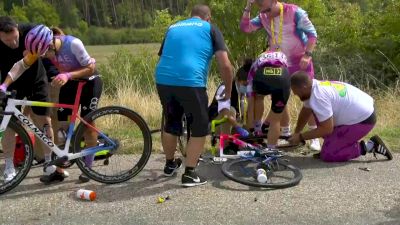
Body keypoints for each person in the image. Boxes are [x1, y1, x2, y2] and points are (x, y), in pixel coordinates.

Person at [155, 4, 233, 187]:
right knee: (199, 127)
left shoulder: (173, 27)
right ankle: (190, 173)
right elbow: (225, 65)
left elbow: (162, 56)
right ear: (208, 17)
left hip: (163, 78)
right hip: (191, 80)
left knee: (171, 122)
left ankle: (169, 164)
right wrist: (228, 91)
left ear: (191, 16)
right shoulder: (210, 28)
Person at [240, 0, 321, 151]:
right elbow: (246, 28)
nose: (261, 9)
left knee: (309, 98)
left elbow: (312, 34)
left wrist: (307, 55)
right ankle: (286, 132)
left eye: (261, 4)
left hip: (300, 61)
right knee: (279, 98)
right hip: (279, 63)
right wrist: (248, 6)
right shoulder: (263, 15)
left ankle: (314, 136)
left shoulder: (295, 12)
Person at [0, 16, 68, 183]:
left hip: (36, 80)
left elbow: (47, 34)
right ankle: (9, 166)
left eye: (15, 37)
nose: (13, 43)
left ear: (18, 28)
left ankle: (48, 161)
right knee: (9, 125)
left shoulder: (31, 31)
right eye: (7, 40)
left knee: (44, 120)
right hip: (11, 83)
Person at [288, 71, 393, 162]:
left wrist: (301, 137)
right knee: (318, 115)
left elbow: (326, 129)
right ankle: (334, 143)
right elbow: (306, 111)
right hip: (363, 110)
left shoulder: (318, 96)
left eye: (295, 90)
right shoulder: (314, 87)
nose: (294, 93)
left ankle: (370, 146)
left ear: (304, 87)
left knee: (329, 155)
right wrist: (297, 132)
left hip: (363, 120)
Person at [42, 27, 102, 183]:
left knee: (88, 123)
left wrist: (67, 74)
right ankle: (60, 170)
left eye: (45, 53)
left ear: (51, 45)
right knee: (62, 126)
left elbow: (91, 68)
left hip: (90, 82)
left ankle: (88, 168)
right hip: (70, 83)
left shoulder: (74, 43)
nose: (45, 57)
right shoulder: (43, 48)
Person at [238, 51, 291, 148]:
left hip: (262, 75)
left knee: (259, 97)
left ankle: (258, 129)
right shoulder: (279, 54)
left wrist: (251, 130)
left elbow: (250, 107)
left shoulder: (251, 73)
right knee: (280, 107)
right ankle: (286, 131)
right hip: (282, 74)